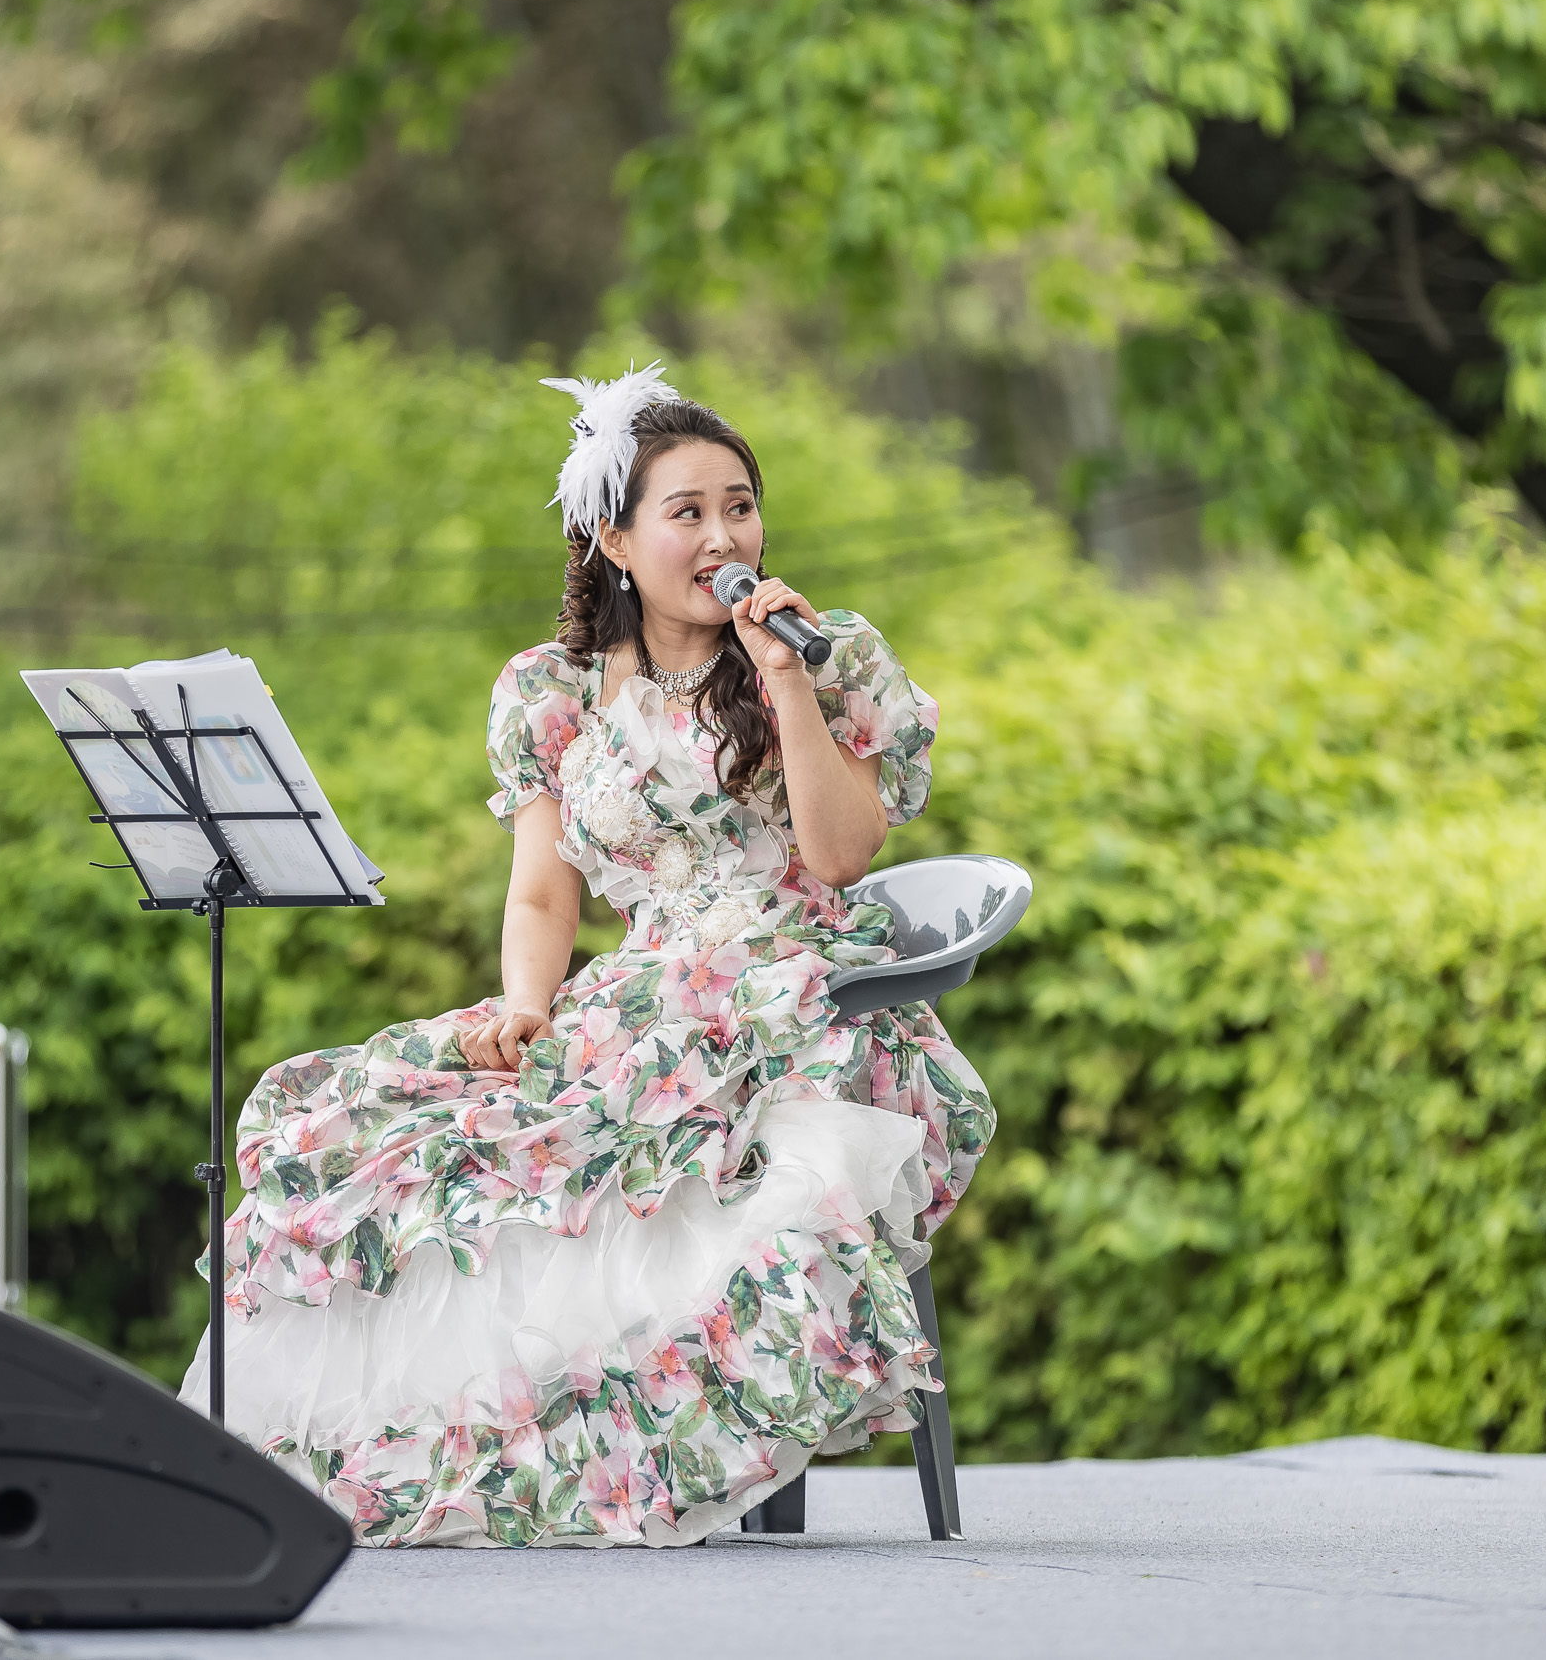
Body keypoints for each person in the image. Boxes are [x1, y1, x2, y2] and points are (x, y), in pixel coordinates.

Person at [180, 365, 996, 1547]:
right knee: (389, 1123)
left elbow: (839, 852)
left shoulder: (827, 653)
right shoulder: (550, 692)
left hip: (805, 987)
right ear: (613, 537)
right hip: (647, 988)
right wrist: (522, 1002)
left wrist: (786, 680)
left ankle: (668, 1445)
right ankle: (435, 1451)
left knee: (636, 1143)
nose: (725, 535)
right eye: (689, 511)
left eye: (741, 505)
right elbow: (543, 887)